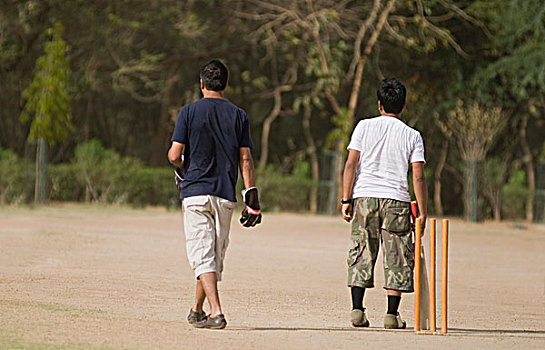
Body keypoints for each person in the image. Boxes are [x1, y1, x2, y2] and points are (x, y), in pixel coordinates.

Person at [168, 59, 261, 330]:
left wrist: (182, 166)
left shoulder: (188, 112)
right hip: (224, 195)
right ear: (225, 84)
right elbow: (246, 159)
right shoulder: (239, 115)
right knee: (211, 256)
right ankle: (197, 310)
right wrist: (251, 199)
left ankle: (216, 312)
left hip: (196, 193)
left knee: (203, 254)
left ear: (201, 84)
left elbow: (174, 155)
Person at [340, 78, 427, 329]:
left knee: (362, 250)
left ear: (379, 104)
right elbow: (418, 176)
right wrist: (421, 211)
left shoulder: (363, 127)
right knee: (397, 254)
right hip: (397, 200)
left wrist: (347, 199)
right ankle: (391, 315)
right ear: (404, 106)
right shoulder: (412, 135)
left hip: (365, 196)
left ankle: (357, 310)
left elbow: (350, 165)